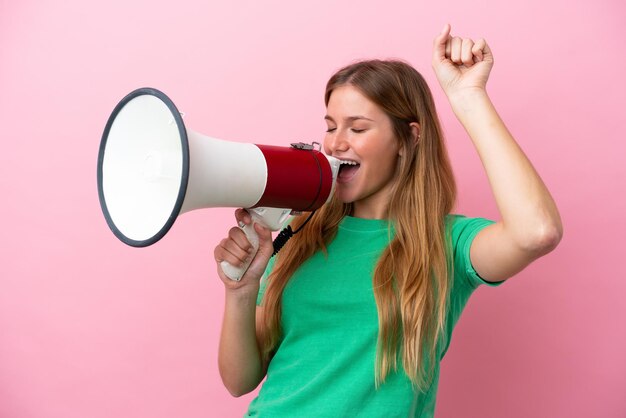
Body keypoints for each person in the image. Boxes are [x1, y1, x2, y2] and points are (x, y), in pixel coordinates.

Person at [213, 24, 563, 417]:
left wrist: (469, 98)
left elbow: (537, 232)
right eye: (330, 126)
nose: (335, 143)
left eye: (357, 127)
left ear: (408, 139)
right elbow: (238, 380)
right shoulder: (298, 232)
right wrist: (241, 292)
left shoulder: (449, 245)